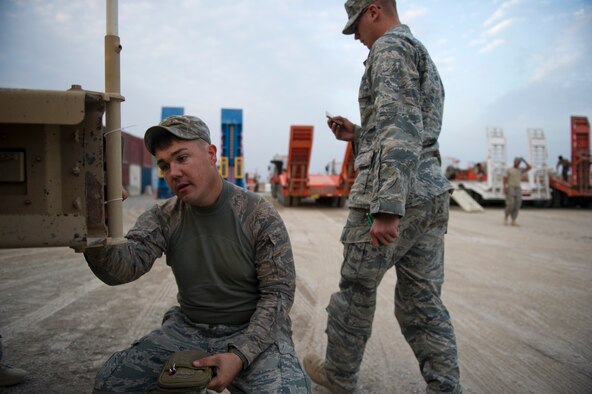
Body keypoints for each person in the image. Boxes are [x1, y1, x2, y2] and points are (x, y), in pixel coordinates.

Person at [84, 115, 310, 393]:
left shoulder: (257, 214)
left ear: (211, 154)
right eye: (165, 165)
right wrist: (96, 226)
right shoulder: (163, 216)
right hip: (187, 329)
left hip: (252, 330)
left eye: (182, 158)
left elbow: (278, 294)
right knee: (111, 385)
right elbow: (121, 269)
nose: (173, 172)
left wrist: (239, 355)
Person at [302, 1, 462, 393]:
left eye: (355, 24)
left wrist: (388, 207)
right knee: (422, 301)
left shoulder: (388, 50)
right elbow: (410, 125)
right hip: (428, 193)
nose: (355, 34)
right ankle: (445, 387)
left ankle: (338, 378)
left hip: (394, 197)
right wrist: (358, 134)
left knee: (355, 292)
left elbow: (400, 126)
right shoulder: (417, 50)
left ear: (374, 10)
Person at [503, 157, 531, 226]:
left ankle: (513, 220)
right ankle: (506, 217)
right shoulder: (509, 170)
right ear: (514, 162)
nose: (517, 163)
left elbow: (529, 167)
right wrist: (505, 187)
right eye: (516, 162)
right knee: (511, 204)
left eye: (519, 162)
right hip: (510, 187)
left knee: (518, 203)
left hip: (518, 187)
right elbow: (505, 179)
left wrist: (524, 160)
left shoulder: (520, 170)